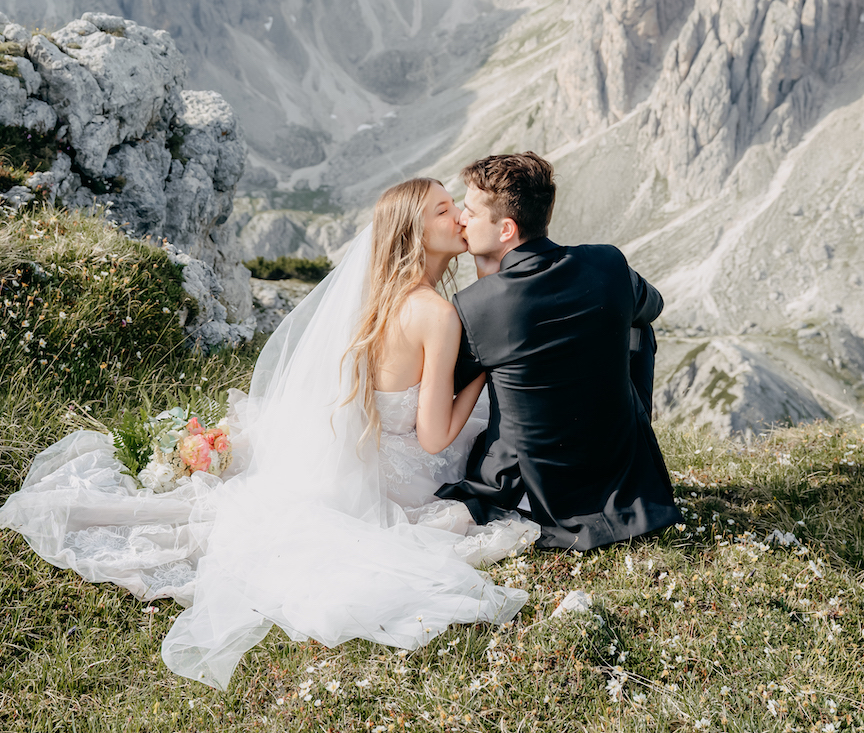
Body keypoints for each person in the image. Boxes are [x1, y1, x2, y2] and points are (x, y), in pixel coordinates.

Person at [0, 177, 537, 693]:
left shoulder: (376, 297)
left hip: (366, 456)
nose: (460, 217)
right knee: (482, 432)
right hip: (406, 477)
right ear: (414, 234)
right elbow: (434, 437)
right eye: (444, 211)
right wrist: (482, 373)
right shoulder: (436, 313)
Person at [437, 152, 681, 550]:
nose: (462, 218)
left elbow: (444, 386)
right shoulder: (607, 263)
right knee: (636, 329)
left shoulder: (478, 304)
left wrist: (488, 287)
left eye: (470, 210)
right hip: (633, 494)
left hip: (541, 498)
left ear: (506, 230)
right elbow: (651, 307)